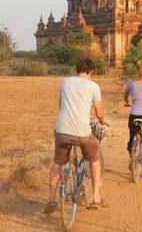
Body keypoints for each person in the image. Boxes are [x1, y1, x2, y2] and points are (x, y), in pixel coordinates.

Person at [43, 58, 107, 214]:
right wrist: (102, 120)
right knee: (94, 160)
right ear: (91, 71)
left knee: (58, 163)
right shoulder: (93, 86)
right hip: (82, 133)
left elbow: (60, 105)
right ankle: (96, 197)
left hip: (62, 130)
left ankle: (51, 199)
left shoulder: (64, 82)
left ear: (77, 69)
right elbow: (99, 112)